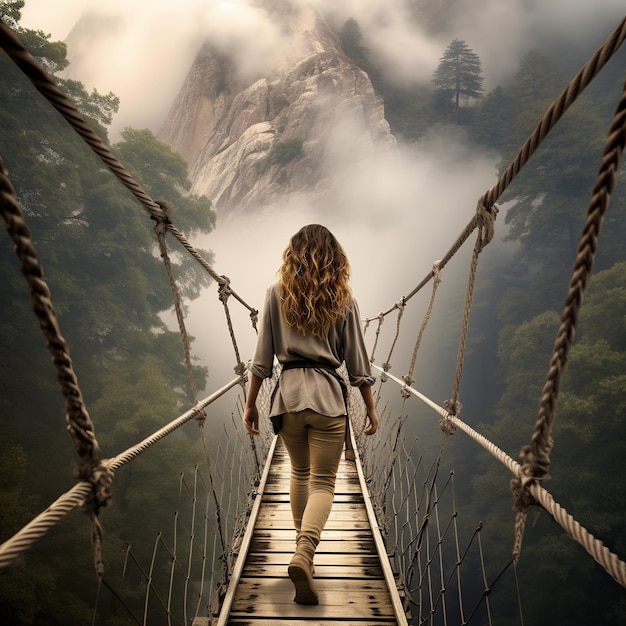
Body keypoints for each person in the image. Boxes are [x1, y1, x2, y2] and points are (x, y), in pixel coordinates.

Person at [242, 224, 379, 606]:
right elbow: (358, 362)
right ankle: (304, 554)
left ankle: (305, 556)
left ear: (293, 255)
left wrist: (251, 403)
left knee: (298, 475)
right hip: (328, 400)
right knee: (324, 482)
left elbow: (260, 361)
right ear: (335, 258)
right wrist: (369, 406)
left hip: (286, 397)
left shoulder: (274, 294)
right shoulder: (344, 300)